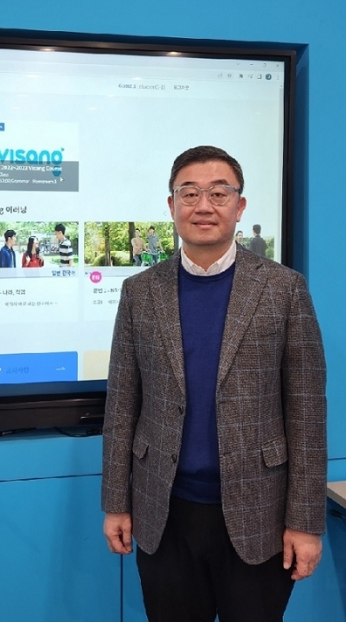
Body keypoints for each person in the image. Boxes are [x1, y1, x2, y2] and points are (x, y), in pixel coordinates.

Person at [102, 145, 326, 622]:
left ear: (240, 206)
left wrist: (305, 523)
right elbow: (122, 404)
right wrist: (115, 503)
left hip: (259, 515)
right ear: (171, 205)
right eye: (190, 193)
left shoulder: (284, 289)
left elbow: (306, 411)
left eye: (219, 193)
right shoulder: (140, 292)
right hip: (164, 512)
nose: (204, 205)